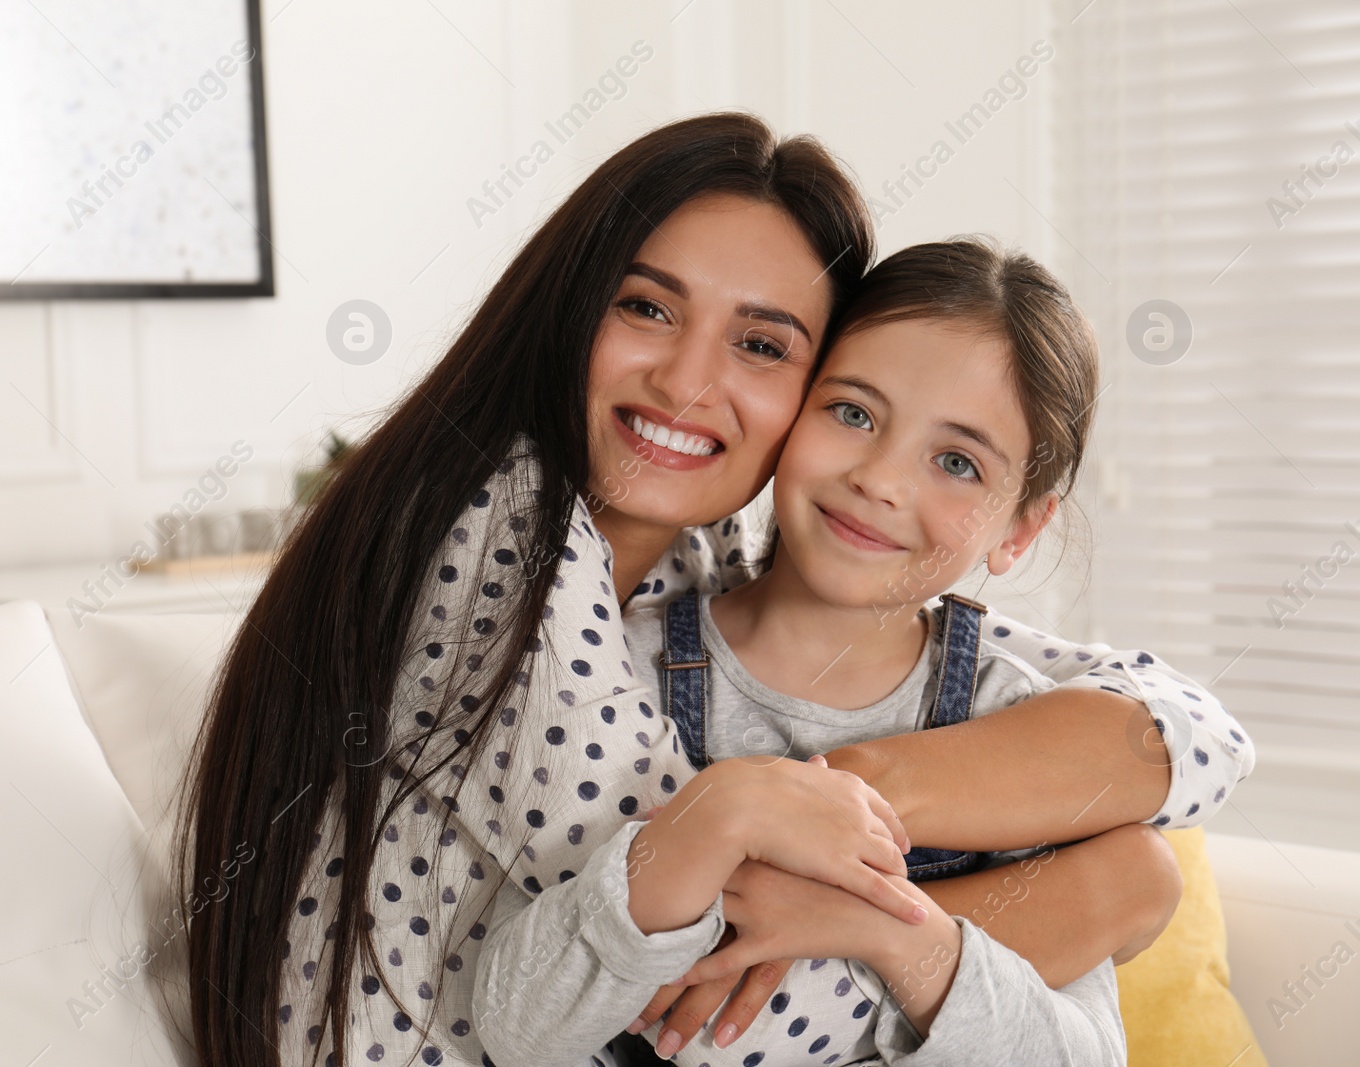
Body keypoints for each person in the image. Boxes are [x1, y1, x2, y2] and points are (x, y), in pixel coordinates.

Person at [176, 114, 1254, 1067]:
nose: (689, 382)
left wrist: (864, 788)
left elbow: (1191, 731)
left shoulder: (696, 559)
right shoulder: (498, 530)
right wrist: (1096, 895)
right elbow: (685, 1015)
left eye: (758, 343)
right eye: (646, 307)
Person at [473, 238, 1239, 1066]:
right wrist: (718, 817)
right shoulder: (619, 671)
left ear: (1020, 528)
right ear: (791, 407)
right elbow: (520, 1025)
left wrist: (882, 928)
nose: (882, 479)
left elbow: (1078, 1057)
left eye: (956, 462)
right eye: (854, 413)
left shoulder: (1014, 728)